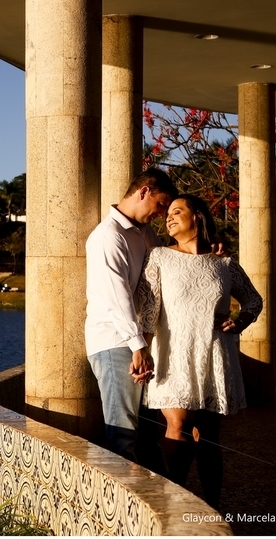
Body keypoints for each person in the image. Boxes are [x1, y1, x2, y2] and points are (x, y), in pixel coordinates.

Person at [136, 194, 262, 508]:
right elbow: (149, 310)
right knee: (176, 427)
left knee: (207, 437)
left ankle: (211, 508)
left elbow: (254, 301)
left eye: (178, 211)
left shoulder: (224, 263)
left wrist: (239, 321)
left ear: (198, 217)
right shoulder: (160, 257)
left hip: (215, 356)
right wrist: (144, 351)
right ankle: (174, 501)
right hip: (173, 355)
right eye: (168, 213)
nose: (169, 217)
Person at [85, 168, 179, 462]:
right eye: (161, 204)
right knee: (122, 433)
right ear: (144, 192)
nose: (163, 213)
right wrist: (138, 346)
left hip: (139, 343)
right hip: (116, 343)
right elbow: (117, 297)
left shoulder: (146, 233)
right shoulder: (107, 237)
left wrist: (206, 251)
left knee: (148, 435)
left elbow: (169, 270)